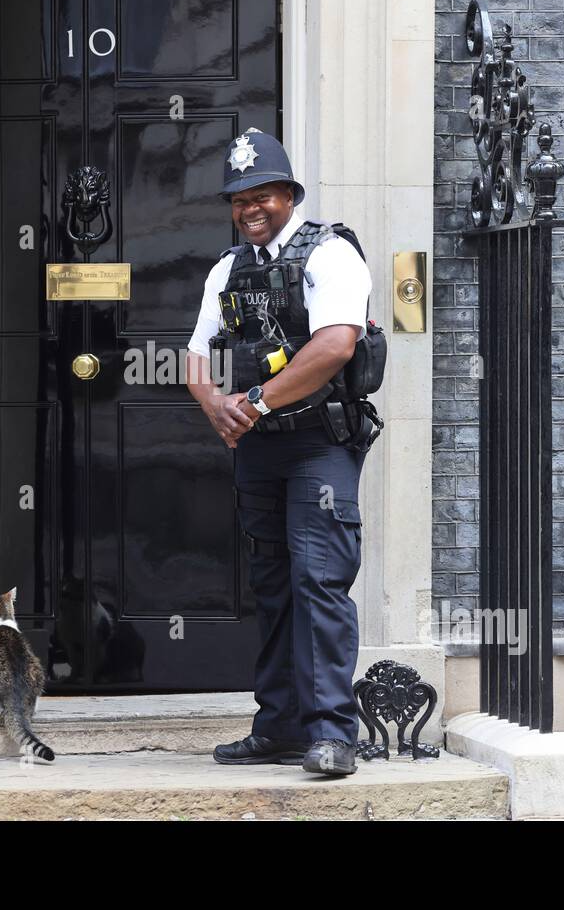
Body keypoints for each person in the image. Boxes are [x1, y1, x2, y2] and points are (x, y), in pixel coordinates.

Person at [184, 129, 374, 776]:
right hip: (258, 450)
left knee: (318, 580)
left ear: (289, 195)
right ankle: (280, 726)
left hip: (321, 447)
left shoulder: (332, 255)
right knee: (271, 585)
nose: (251, 208)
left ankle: (332, 734)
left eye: (262, 194)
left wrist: (255, 402)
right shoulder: (228, 267)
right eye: (240, 199)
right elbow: (195, 355)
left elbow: (335, 347)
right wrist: (215, 405)